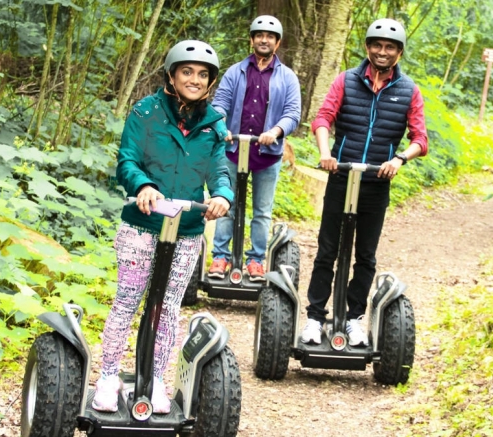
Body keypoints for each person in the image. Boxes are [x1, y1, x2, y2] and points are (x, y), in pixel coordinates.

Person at [91, 40, 233, 414]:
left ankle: (154, 379)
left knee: (167, 307)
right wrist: (143, 186)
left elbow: (219, 169)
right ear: (171, 74)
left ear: (210, 82)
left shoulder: (213, 125)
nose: (195, 79)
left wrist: (221, 195)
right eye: (187, 71)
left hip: (185, 230)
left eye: (203, 75)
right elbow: (127, 159)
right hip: (142, 225)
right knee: (127, 300)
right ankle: (107, 376)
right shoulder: (146, 112)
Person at [301, 18, 429, 347]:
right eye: (377, 45)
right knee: (327, 250)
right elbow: (323, 118)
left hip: (376, 182)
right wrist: (326, 152)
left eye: (389, 47)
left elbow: (420, 138)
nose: (382, 52)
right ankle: (315, 317)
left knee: (365, 256)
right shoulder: (346, 80)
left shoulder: (409, 91)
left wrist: (399, 159)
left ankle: (354, 317)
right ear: (368, 48)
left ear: (399, 52)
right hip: (341, 175)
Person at [207, 15, 301, 282]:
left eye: (270, 36)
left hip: (267, 155)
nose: (264, 39)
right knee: (226, 204)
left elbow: (292, 113)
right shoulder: (235, 71)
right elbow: (219, 104)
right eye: (259, 35)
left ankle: (256, 260)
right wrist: (221, 126)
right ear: (252, 39)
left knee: (262, 212)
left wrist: (275, 132)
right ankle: (221, 257)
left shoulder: (288, 77)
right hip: (232, 150)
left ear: (277, 42)